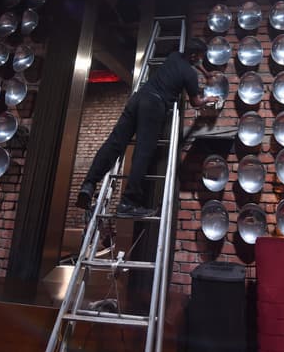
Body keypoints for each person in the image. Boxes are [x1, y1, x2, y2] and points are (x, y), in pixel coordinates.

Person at [76, 38, 219, 218]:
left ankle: (88, 184)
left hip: (138, 99)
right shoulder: (189, 74)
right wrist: (208, 99)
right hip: (154, 106)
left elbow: (193, 62)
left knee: (115, 143)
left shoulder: (174, 56)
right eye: (200, 57)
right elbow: (195, 102)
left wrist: (205, 73)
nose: (201, 60)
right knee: (143, 153)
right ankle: (128, 203)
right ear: (193, 56)